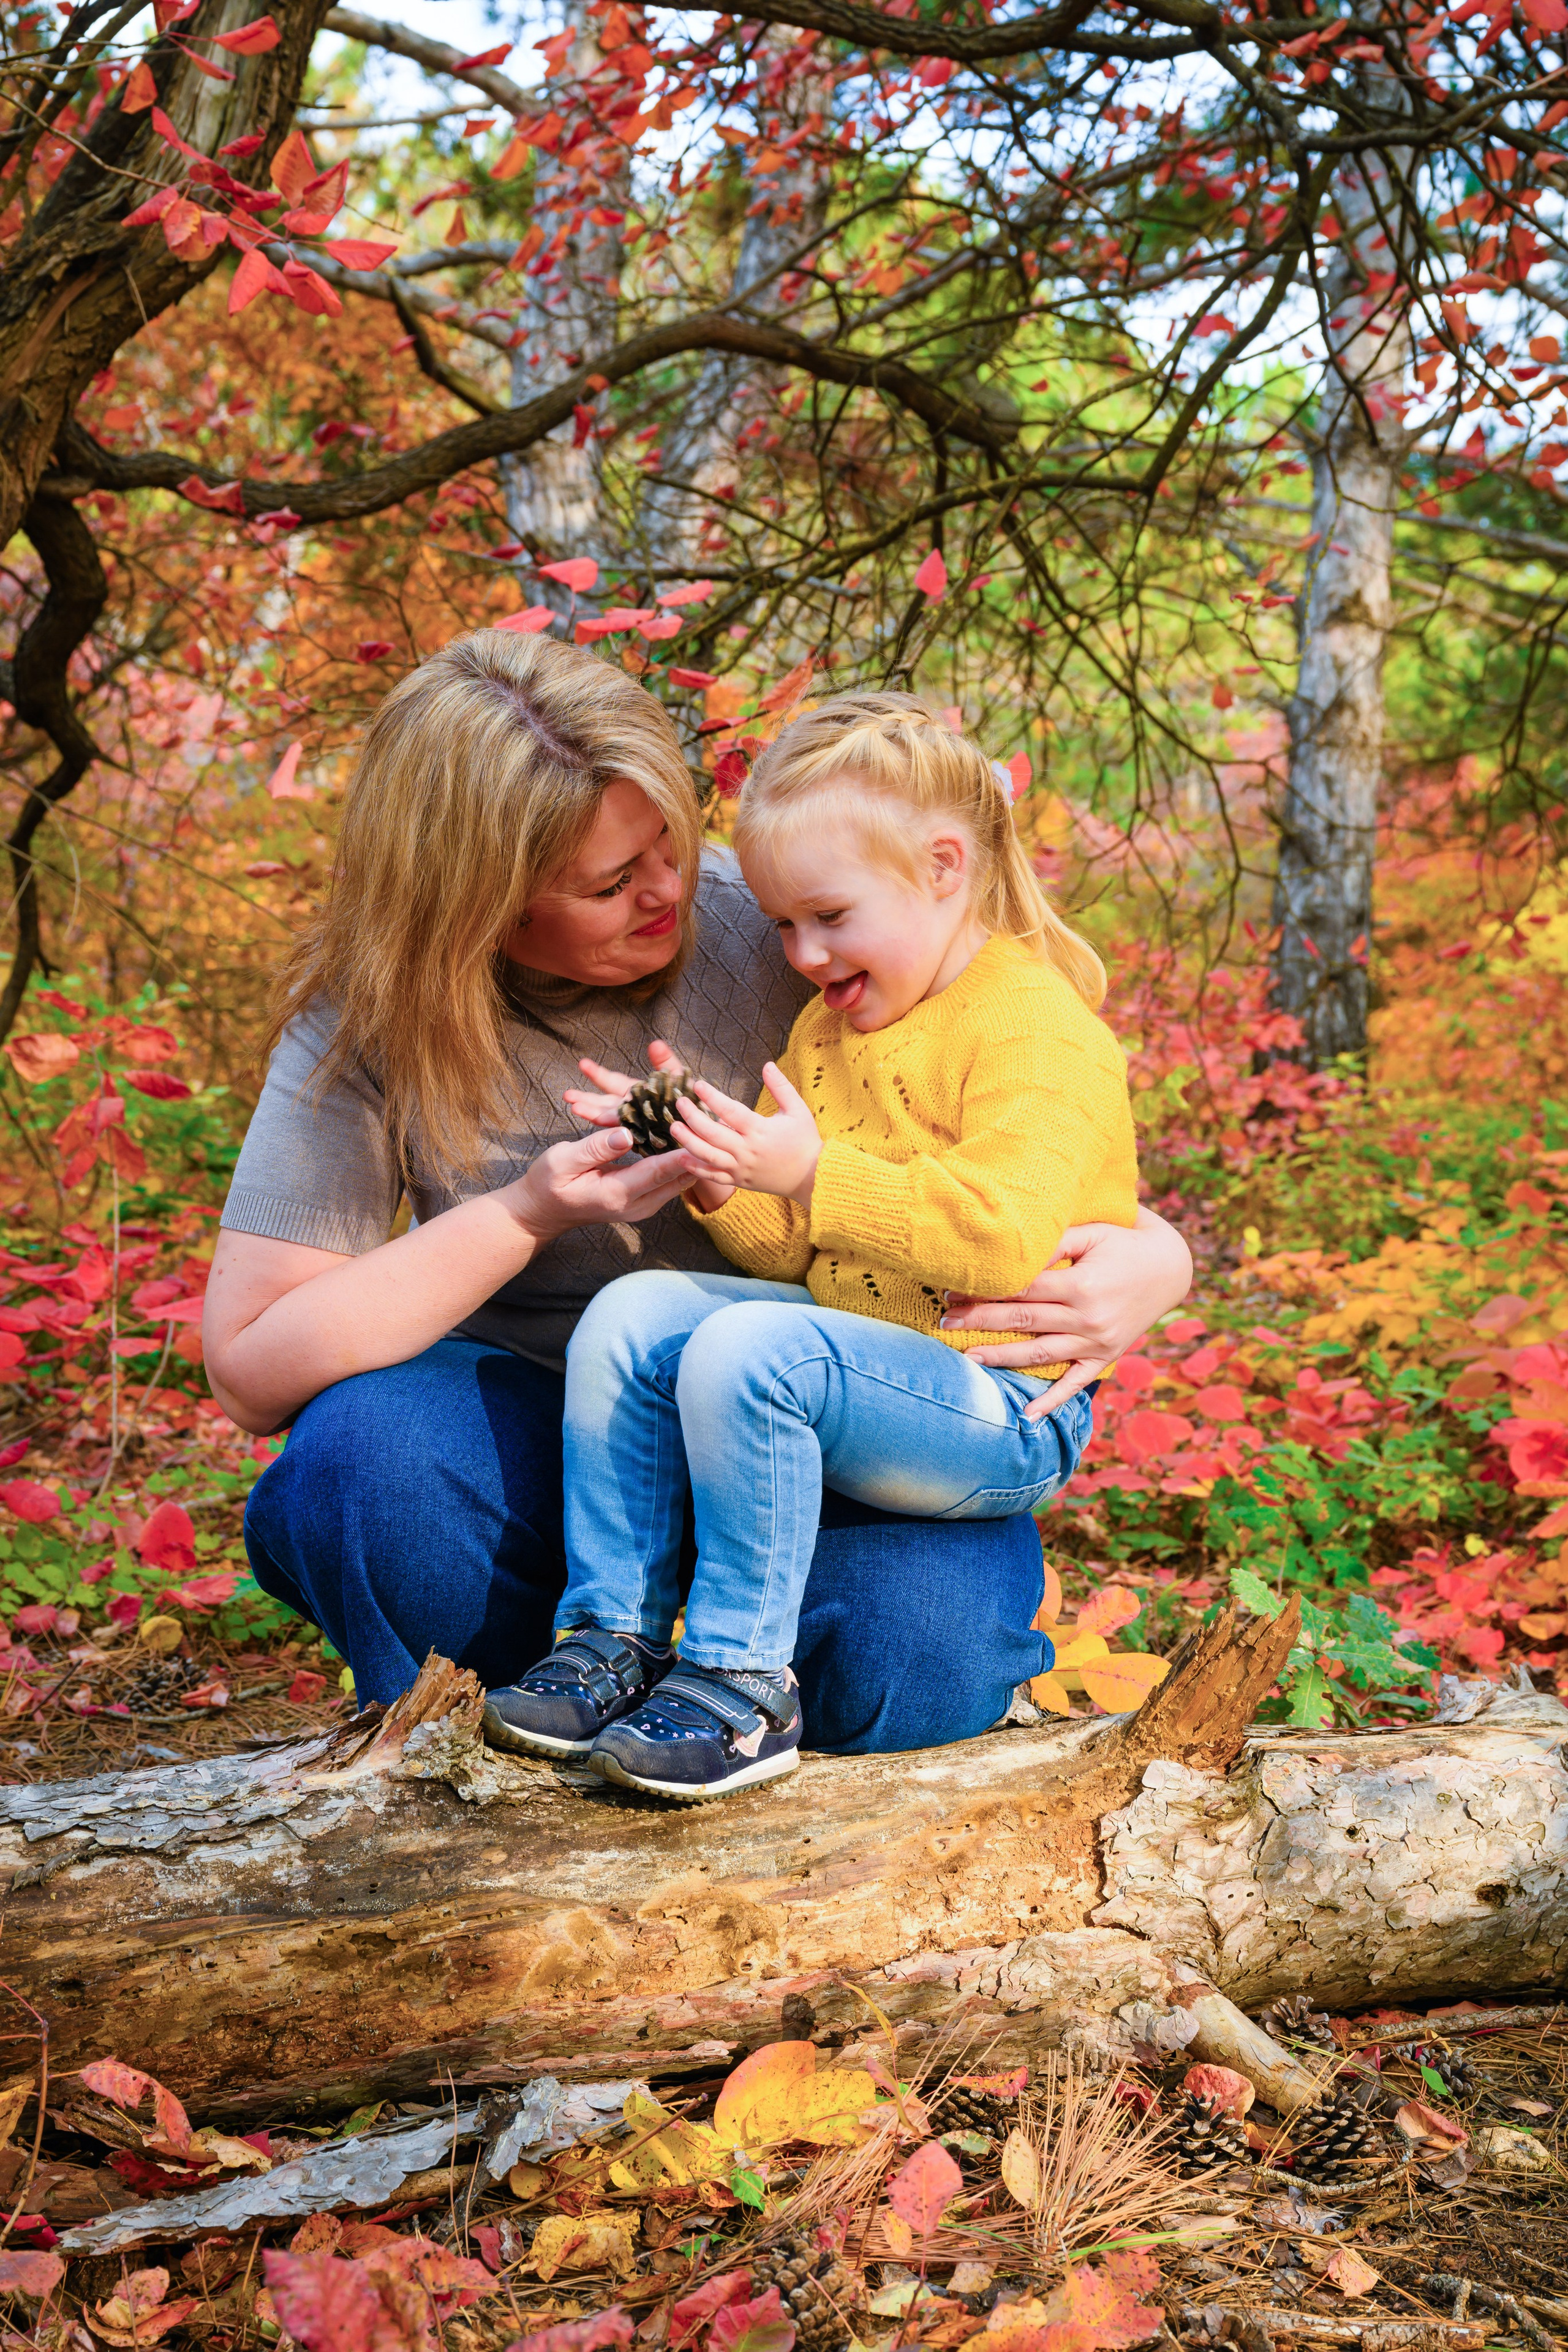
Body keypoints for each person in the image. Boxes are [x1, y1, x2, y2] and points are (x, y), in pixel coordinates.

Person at [203, 631, 1193, 1754]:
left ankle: (736, 1716)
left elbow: (1027, 1114)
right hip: (553, 1438)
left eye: (666, 842)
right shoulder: (374, 1016)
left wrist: (1159, 1259)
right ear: (481, 905)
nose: (666, 891)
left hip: (837, 1414)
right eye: (609, 883)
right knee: (363, 1473)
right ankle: (544, 1718)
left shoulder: (799, 924)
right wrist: (523, 1215)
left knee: (919, 1648)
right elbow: (251, 1368)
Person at [483, 693, 1139, 1798]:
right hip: (859, 1361)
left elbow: (999, 1235)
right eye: (784, 924)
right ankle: (612, 1639)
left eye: (829, 915)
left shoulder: (1032, 1024)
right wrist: (709, 1159)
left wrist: (810, 1171)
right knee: (633, 1317)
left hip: (998, 1404)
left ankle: (743, 1682)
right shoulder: (829, 1031)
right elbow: (796, 1254)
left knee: (751, 1353)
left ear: (943, 866)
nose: (802, 951)